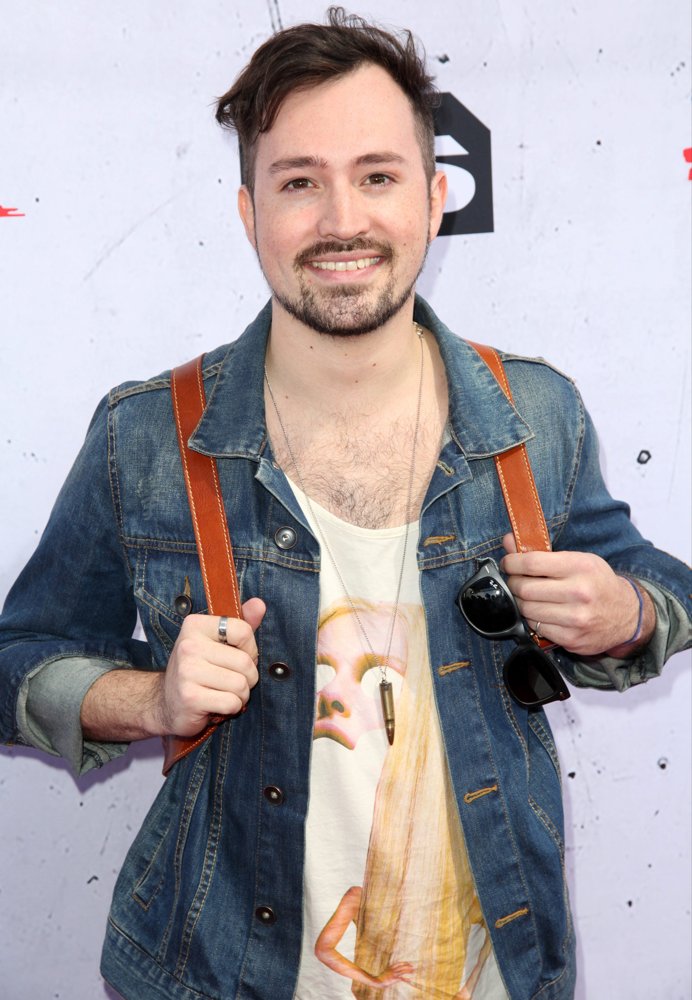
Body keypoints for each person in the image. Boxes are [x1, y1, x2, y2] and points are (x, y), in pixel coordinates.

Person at [0, 7, 689, 1000]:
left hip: (495, 968)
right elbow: (18, 661)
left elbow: (660, 590)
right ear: (248, 214)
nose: (341, 221)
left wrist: (622, 613)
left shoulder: (533, 410)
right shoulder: (144, 434)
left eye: (376, 175)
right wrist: (149, 698)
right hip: (220, 973)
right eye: (298, 183)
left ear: (433, 195)